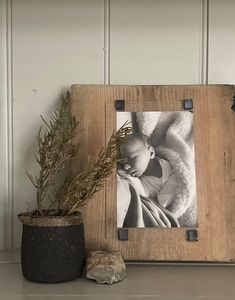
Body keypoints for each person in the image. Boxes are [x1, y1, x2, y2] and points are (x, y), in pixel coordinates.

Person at [118, 133, 173, 205]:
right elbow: (141, 191)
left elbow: (181, 170)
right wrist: (125, 174)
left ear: (151, 153)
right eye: (123, 163)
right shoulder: (144, 182)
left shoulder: (168, 164)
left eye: (131, 159)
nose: (125, 167)